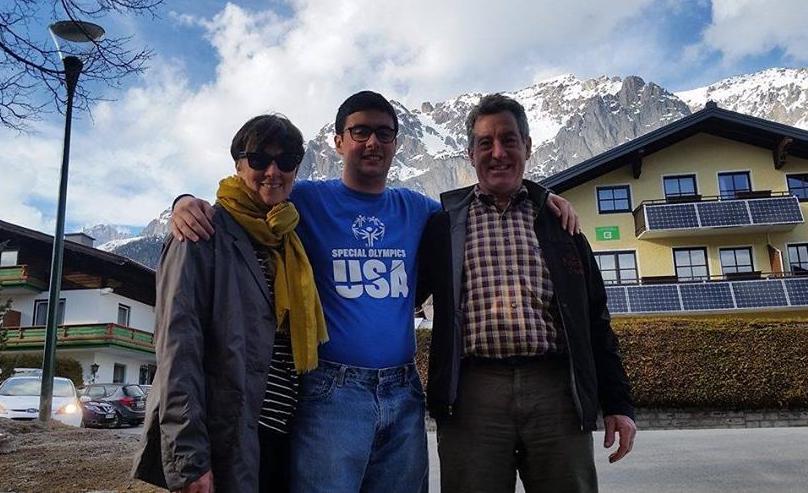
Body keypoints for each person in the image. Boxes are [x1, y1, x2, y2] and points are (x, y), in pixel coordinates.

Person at [170, 91, 581, 492]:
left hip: (403, 391)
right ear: (337, 142)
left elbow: (486, 203)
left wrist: (544, 198)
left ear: (396, 143)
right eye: (360, 131)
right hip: (331, 391)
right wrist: (185, 201)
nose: (372, 142)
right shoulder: (306, 198)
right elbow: (251, 192)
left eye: (384, 133)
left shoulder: (420, 210)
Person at [417, 93, 636, 493]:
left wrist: (618, 404)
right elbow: (404, 298)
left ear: (528, 147)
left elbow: (595, 319)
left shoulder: (560, 224)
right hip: (472, 394)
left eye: (509, 140)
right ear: (470, 154)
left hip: (556, 391)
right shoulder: (442, 227)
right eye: (485, 143)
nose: (497, 152)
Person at [132, 114, 327, 493]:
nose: (273, 171)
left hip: (282, 437)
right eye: (259, 159)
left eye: (286, 161)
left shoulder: (288, 238)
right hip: (227, 441)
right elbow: (177, 350)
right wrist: (190, 459)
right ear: (238, 164)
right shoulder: (200, 232)